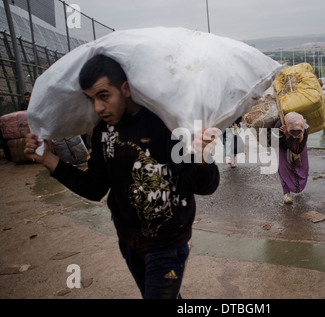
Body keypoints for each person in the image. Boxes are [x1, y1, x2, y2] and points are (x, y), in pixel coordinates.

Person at [24, 54, 220, 299]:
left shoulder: (164, 125)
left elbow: (204, 186)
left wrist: (202, 156)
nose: (98, 107)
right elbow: (94, 188)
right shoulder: (102, 131)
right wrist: (49, 160)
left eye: (104, 96)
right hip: (129, 242)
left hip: (168, 243)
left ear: (125, 89)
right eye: (91, 99)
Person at [269, 112, 309, 204]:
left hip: (298, 147)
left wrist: (289, 136)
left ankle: (299, 185)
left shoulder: (305, 129)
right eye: (293, 131)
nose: (296, 133)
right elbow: (272, 142)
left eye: (298, 131)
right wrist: (285, 136)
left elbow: (297, 150)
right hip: (282, 148)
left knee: (302, 167)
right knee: (284, 171)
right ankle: (286, 192)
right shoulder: (279, 126)